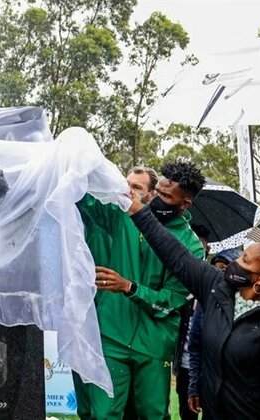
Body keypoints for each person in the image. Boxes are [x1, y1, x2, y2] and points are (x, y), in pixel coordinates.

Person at [125, 189, 260, 419]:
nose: (235, 262)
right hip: (214, 412)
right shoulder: (216, 287)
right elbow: (175, 254)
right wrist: (138, 211)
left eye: (245, 260)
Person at [73, 161, 206, 420]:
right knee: (105, 414)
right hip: (112, 333)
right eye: (157, 191)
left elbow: (173, 299)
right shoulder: (124, 215)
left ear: (185, 203)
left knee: (152, 414)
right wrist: (77, 165)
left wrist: (130, 288)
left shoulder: (191, 246)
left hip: (155, 344)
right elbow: (85, 201)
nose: (157, 198)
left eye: (166, 196)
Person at [186, 247, 242, 416]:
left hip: (240, 394)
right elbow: (196, 347)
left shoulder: (248, 301)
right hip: (211, 391)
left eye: (225, 269)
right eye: (216, 268)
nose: (220, 274)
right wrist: (194, 387)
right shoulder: (207, 301)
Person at [173, 224, 210, 420]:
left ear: (207, 249)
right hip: (186, 366)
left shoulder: (216, 285)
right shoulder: (178, 284)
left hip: (211, 369)